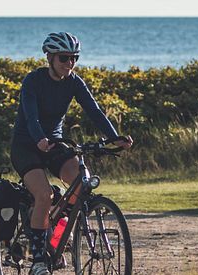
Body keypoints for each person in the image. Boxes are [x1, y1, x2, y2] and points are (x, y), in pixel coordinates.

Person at [11, 32, 132, 275]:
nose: (70, 64)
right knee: (44, 194)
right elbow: (31, 116)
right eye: (64, 58)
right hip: (27, 145)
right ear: (50, 58)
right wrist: (39, 139)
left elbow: (94, 111)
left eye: (74, 59)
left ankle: (51, 227)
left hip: (56, 143)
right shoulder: (33, 81)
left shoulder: (75, 82)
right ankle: (38, 261)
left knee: (81, 185)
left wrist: (114, 137)